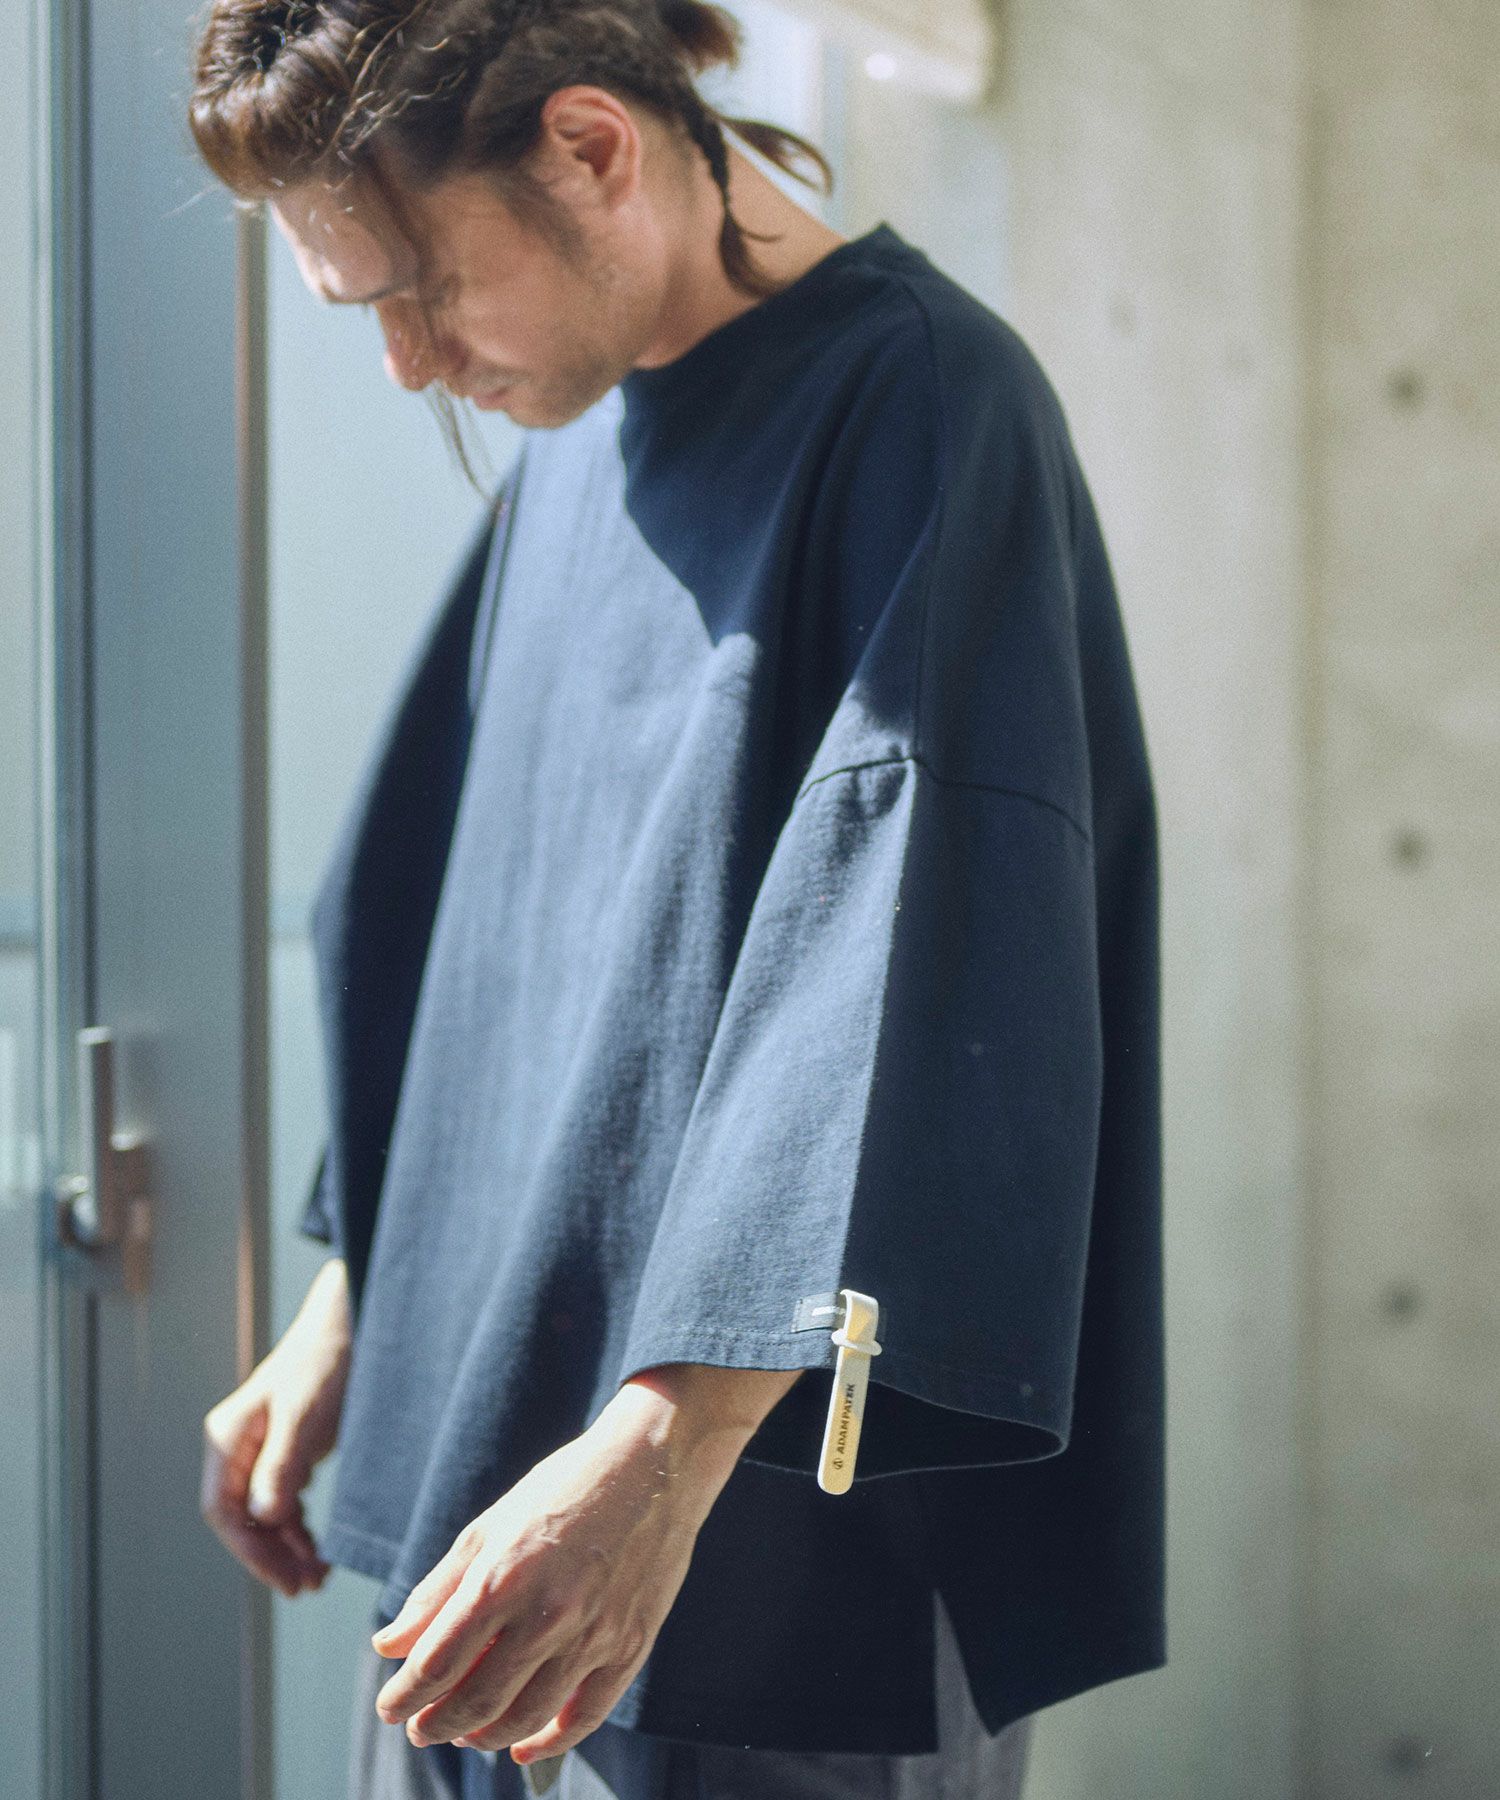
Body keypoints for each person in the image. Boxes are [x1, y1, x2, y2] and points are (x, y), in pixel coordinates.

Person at [192, 4, 1166, 1797]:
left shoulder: (923, 404)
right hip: (502, 1493)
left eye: (425, 289)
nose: (408, 364)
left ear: (591, 149)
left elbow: (929, 967)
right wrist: (356, 1300)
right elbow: (482, 913)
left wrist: (662, 1450)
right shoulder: (575, 410)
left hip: (758, 1557)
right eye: (366, 312)